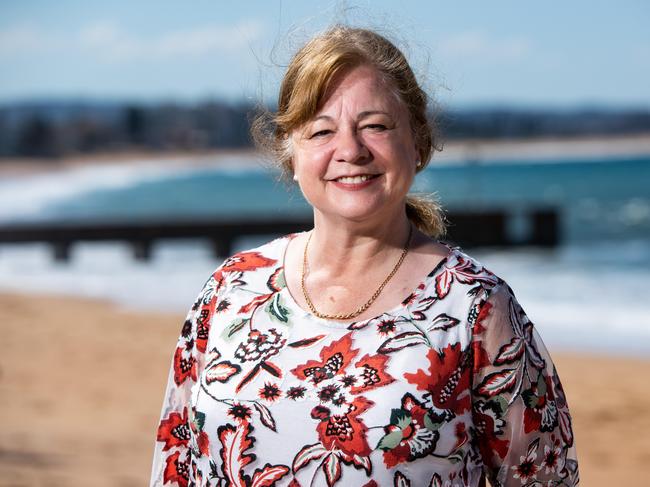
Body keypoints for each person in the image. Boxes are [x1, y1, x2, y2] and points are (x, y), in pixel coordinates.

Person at [150, 25, 579, 486]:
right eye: (321, 131)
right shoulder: (230, 291)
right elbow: (176, 464)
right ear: (290, 154)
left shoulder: (475, 308)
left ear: (416, 143)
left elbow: (546, 479)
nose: (350, 151)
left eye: (375, 126)